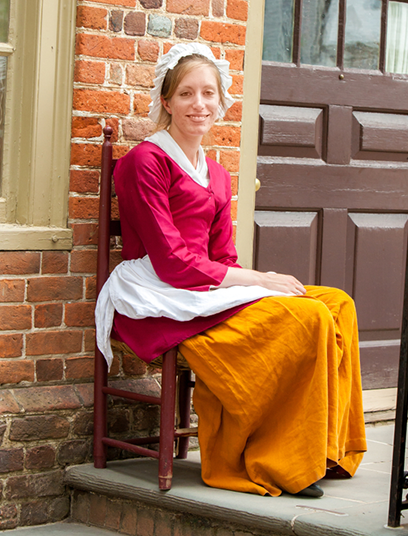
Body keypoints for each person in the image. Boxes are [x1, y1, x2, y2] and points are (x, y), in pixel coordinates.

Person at [97, 42, 366, 498]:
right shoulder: (146, 162)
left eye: (208, 93)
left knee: (337, 304)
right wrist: (261, 281)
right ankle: (279, 459)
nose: (198, 104)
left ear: (221, 102)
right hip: (157, 290)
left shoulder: (217, 174)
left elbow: (222, 259)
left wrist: (256, 283)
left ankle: (321, 449)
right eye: (185, 94)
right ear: (166, 101)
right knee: (309, 317)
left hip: (200, 284)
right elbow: (171, 262)